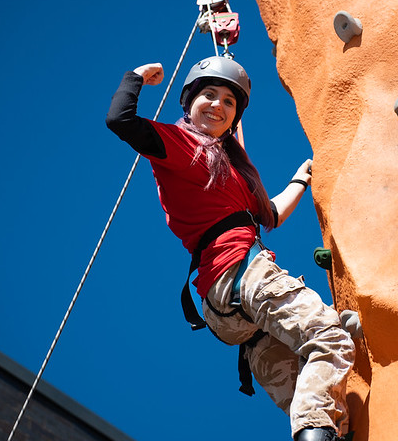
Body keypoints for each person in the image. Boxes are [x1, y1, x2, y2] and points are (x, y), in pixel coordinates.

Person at [105, 56, 355, 441]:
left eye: (228, 102)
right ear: (188, 103)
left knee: (321, 411)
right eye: (209, 95)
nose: (218, 105)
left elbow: (269, 213)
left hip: (228, 312)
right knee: (331, 338)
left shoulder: (234, 173)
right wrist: (135, 76)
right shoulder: (182, 142)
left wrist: (300, 180)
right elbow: (121, 121)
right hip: (242, 273)